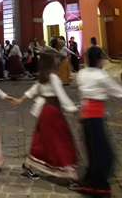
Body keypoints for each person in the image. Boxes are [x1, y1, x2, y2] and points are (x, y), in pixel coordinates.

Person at [75, 46, 122, 197]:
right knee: (103, 153)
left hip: (86, 116)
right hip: (95, 117)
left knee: (93, 150)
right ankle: (98, 186)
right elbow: (118, 91)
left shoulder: (82, 74)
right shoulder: (100, 76)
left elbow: (84, 94)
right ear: (99, 60)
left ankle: (90, 182)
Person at [11, 53, 78, 187]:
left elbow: (33, 90)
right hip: (53, 111)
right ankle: (70, 177)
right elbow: (61, 95)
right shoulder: (52, 77)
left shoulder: (43, 76)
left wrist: (20, 99)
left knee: (41, 139)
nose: (58, 61)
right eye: (56, 59)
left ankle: (27, 164)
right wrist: (73, 109)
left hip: (46, 111)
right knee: (60, 141)